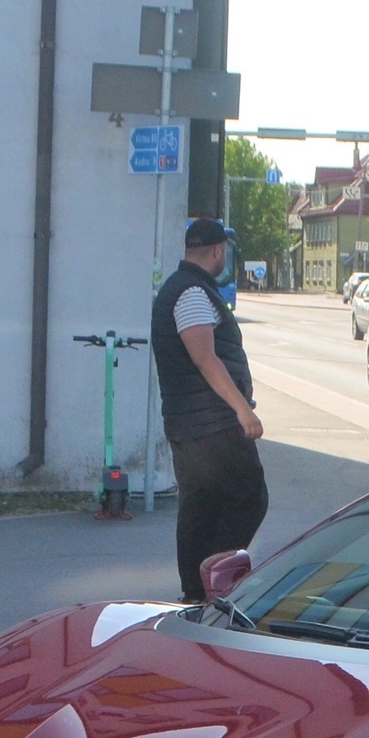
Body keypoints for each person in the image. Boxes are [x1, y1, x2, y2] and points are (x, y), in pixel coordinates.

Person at [151, 216, 268, 601]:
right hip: (211, 423)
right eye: (226, 251)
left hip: (190, 423)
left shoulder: (182, 288)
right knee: (248, 497)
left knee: (201, 506)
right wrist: (242, 410)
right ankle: (212, 583)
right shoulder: (191, 294)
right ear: (218, 251)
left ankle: (196, 594)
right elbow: (206, 359)